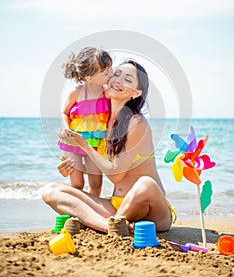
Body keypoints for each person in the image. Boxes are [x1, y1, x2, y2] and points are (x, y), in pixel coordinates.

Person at [43, 60, 176, 233]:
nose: (119, 80)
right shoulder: (101, 123)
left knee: (146, 184)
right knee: (50, 190)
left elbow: (116, 175)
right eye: (117, 74)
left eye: (128, 79)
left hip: (151, 211)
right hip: (118, 207)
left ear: (135, 93)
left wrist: (83, 144)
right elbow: (97, 165)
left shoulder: (136, 122)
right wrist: (74, 167)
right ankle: (108, 226)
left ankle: (100, 223)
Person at [58, 47, 113, 196]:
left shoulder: (107, 92)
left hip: (95, 144)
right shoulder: (77, 92)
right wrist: (67, 129)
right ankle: (75, 213)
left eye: (110, 69)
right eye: (105, 72)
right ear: (89, 77)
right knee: (77, 183)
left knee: (96, 184)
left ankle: (92, 209)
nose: (111, 74)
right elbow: (65, 112)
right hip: (73, 142)